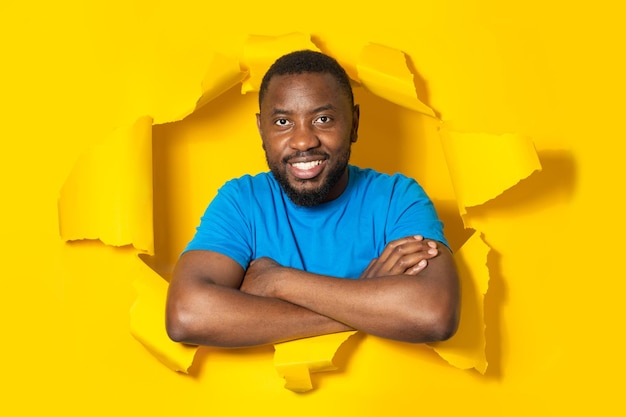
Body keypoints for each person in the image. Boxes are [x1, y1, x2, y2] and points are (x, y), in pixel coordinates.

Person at [165, 50, 460, 348]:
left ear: (354, 124)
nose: (304, 140)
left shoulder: (398, 198)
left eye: (323, 119)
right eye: (282, 122)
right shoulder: (242, 202)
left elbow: (433, 315)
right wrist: (368, 298)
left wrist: (277, 281)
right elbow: (186, 316)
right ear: (261, 130)